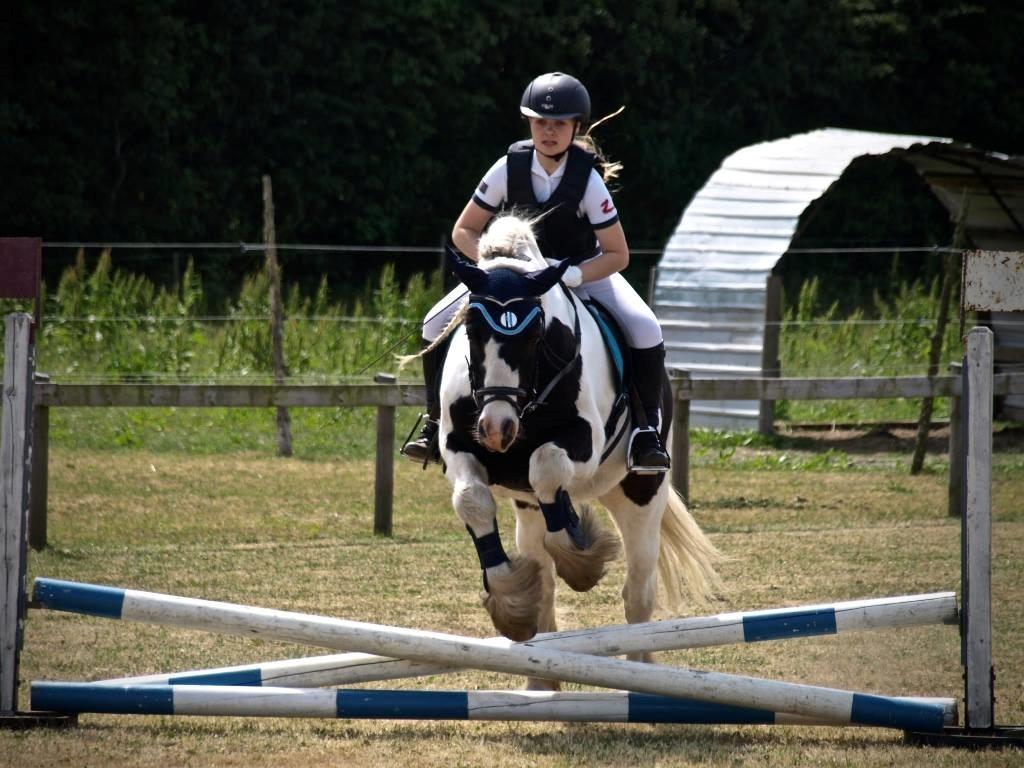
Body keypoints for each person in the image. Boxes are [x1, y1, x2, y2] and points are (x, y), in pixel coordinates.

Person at [402, 71, 670, 473]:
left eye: (559, 123)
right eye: (540, 121)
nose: (549, 131)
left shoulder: (587, 180)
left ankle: (646, 433)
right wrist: (493, 268)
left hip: (579, 272)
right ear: (528, 123)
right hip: (511, 280)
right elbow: (464, 230)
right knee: (432, 322)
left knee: (646, 328)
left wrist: (575, 276)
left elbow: (618, 254)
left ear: (576, 126)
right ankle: (434, 424)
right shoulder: (506, 168)